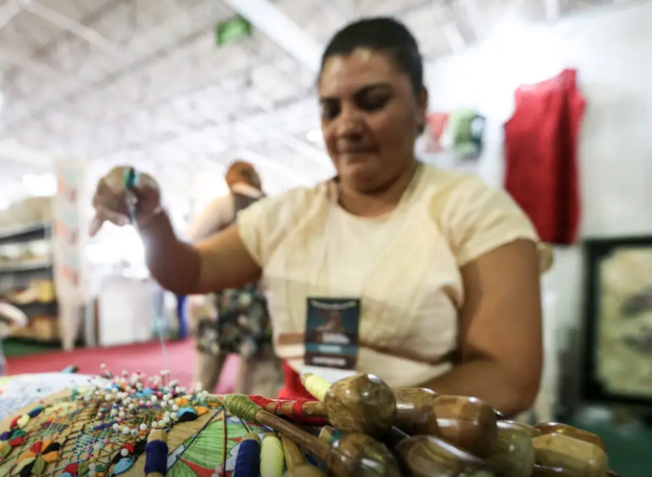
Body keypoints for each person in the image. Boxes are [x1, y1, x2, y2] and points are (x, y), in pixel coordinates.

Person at [90, 18, 543, 416]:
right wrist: (150, 218)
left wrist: (370, 417)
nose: (346, 125)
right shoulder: (288, 215)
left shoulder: (476, 211)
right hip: (302, 436)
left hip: (424, 444)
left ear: (421, 103)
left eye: (372, 101)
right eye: (331, 109)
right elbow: (190, 269)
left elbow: (508, 377)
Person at [185, 161, 280, 396]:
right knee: (259, 380)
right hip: (260, 302)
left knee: (205, 376)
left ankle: (191, 417)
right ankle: (251, 428)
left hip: (221, 299)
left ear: (230, 178)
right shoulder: (272, 207)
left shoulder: (223, 204)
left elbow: (193, 238)